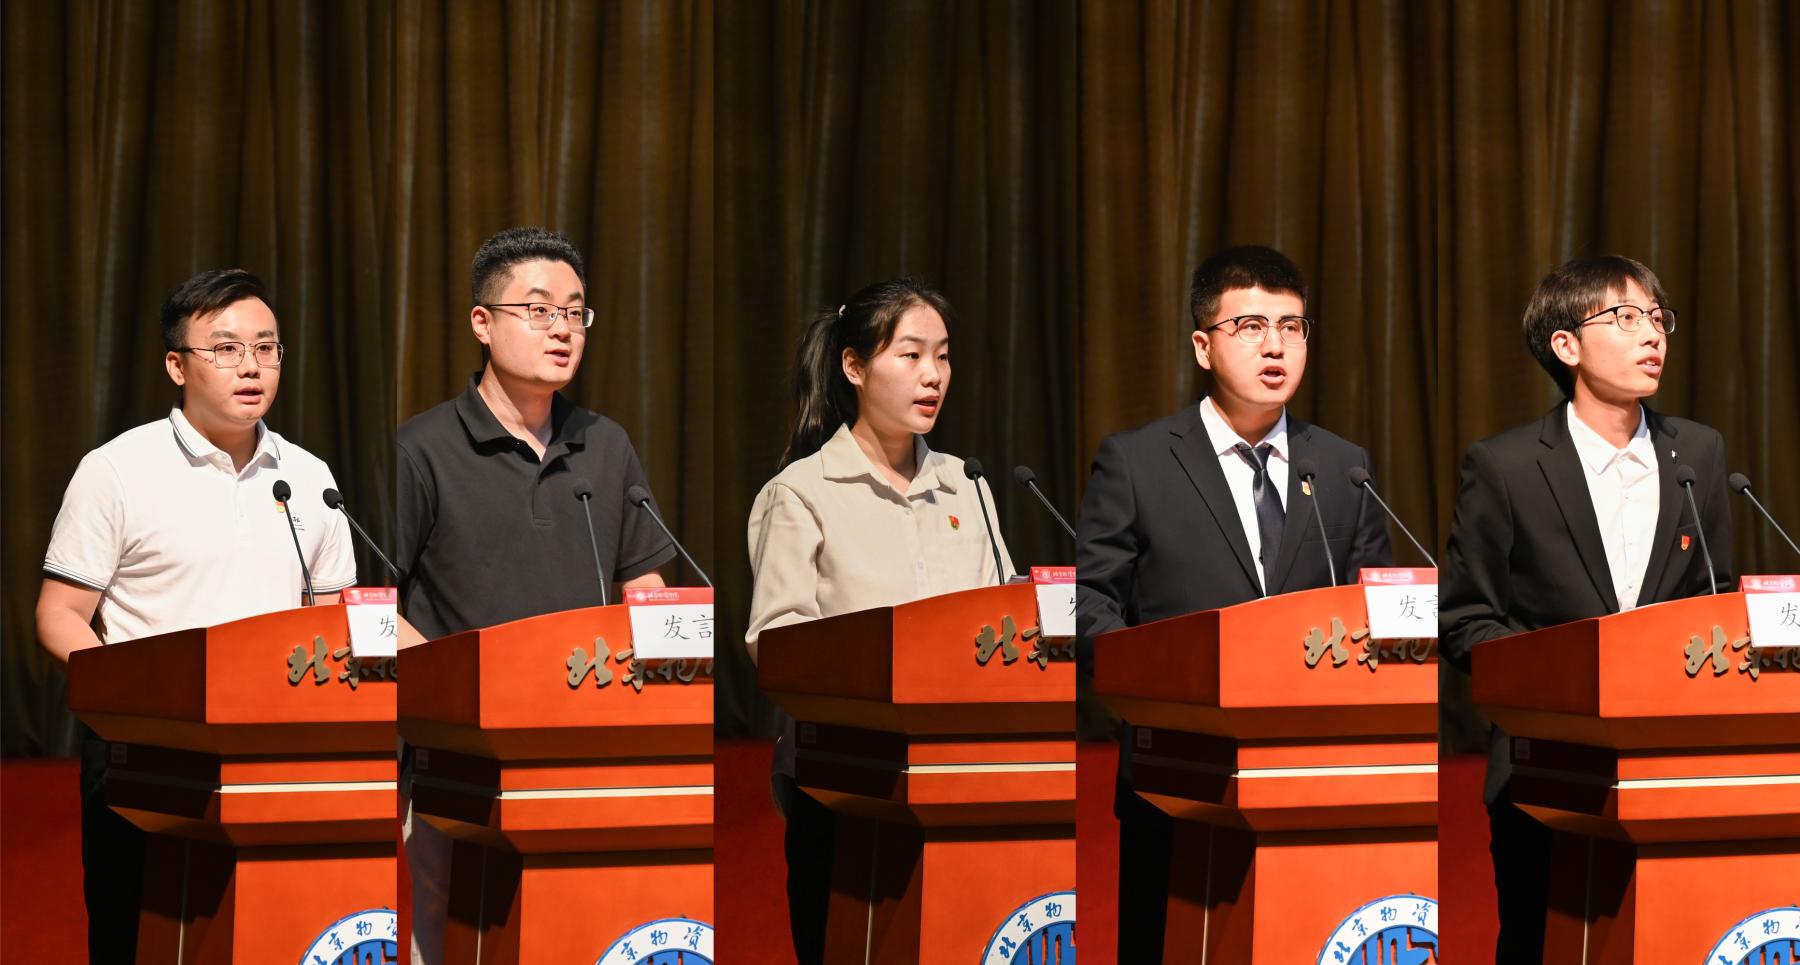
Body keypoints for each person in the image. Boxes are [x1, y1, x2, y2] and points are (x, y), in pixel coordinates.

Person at [1075, 245, 1393, 960]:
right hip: (1176, 775)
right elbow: (1091, 601)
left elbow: (1376, 607)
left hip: (1313, 772)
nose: (1275, 346)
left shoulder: (1343, 467)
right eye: (1250, 326)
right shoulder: (1138, 461)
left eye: (1292, 326)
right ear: (1202, 346)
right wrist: (1159, 684)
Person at [37, 267, 357, 963]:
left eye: (266, 347)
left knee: (271, 939)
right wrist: (133, 692)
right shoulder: (117, 469)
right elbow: (60, 613)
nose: (252, 366)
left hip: (277, 756)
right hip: (147, 755)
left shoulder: (309, 478)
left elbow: (336, 620)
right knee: (142, 942)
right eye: (227, 349)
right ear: (177, 366)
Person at [394, 226, 675, 963]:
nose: (563, 329)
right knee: (457, 937)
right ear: (482, 322)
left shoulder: (605, 445)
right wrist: (462, 692)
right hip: (459, 759)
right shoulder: (420, 450)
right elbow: (371, 610)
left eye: (576, 312)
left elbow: (645, 582)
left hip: (586, 750)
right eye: (540, 309)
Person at [1441, 254, 1732, 964]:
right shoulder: (1506, 466)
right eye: (1625, 317)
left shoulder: (1697, 453)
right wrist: (1565, 680)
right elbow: (1465, 619)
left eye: (1657, 318)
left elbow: (1713, 598)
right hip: (1546, 772)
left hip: (1671, 763)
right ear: (1566, 345)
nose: (1652, 334)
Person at [745, 278, 1013, 964]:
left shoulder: (968, 485)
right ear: (854, 366)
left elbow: (1008, 619)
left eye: (943, 356)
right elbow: (777, 643)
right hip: (846, 787)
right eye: (912, 354)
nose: (933, 375)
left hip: (965, 775)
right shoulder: (801, 492)